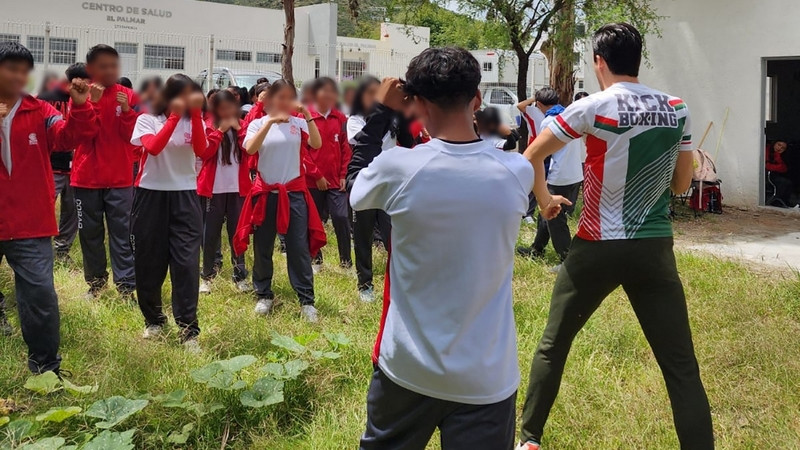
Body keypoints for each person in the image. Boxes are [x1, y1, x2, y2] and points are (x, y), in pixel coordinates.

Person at [517, 23, 713, 450]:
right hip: (654, 248)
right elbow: (681, 186)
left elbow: (532, 154)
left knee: (554, 345)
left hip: (596, 246)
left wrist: (546, 198)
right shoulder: (677, 108)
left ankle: (530, 440)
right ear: (638, 59)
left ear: (599, 62)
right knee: (681, 366)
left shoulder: (593, 108)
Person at [350, 49, 538, 449]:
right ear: (477, 98)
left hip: (406, 367)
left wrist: (384, 113)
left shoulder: (398, 167)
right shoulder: (516, 171)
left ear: (416, 102)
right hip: (486, 375)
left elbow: (354, 186)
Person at [0, 41, 96, 373]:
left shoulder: (39, 111)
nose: (18, 76)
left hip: (30, 222)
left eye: (24, 71)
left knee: (39, 296)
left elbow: (67, 138)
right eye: (11, 68)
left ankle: (45, 367)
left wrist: (81, 107)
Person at [129, 74, 210, 352]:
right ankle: (154, 319)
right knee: (149, 261)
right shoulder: (147, 119)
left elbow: (202, 150)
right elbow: (152, 148)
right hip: (150, 195)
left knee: (186, 263)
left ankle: (189, 330)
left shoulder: (193, 121)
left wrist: (196, 115)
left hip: (186, 196)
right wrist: (174, 118)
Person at [237, 80, 326, 323]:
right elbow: (251, 150)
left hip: (294, 194)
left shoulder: (298, 123)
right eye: (280, 97)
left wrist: (306, 113)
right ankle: (263, 294)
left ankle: (306, 300)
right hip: (266, 195)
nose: (285, 102)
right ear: (270, 100)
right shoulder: (256, 123)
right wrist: (270, 123)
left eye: (289, 97)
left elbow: (317, 144)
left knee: (298, 248)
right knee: (263, 246)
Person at [72, 44, 139, 300]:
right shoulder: (80, 94)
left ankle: (126, 287)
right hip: (86, 177)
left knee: (122, 234)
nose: (110, 70)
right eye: (103, 66)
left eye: (114, 65)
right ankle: (96, 284)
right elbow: (82, 134)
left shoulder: (128, 95)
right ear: (91, 69)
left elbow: (131, 137)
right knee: (90, 234)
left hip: (120, 178)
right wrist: (95, 105)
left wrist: (125, 111)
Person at [516, 87, 584, 270]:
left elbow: (542, 154)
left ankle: (567, 260)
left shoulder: (548, 121)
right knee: (545, 213)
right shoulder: (570, 115)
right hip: (575, 173)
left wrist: (541, 178)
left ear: (538, 105)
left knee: (555, 218)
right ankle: (537, 248)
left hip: (559, 175)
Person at [197, 90, 251, 294]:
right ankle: (207, 276)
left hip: (238, 189)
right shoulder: (208, 124)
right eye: (223, 107)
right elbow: (204, 152)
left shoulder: (242, 125)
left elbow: (250, 150)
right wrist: (220, 131)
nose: (227, 111)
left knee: (238, 233)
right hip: (214, 189)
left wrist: (239, 131)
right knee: (209, 234)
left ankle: (240, 275)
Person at [346, 76, 394, 302]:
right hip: (363, 183)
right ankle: (365, 284)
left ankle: (397, 282)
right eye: (372, 93)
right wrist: (381, 112)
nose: (377, 98)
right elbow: (362, 141)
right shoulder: (355, 120)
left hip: (390, 187)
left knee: (393, 235)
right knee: (363, 236)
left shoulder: (394, 120)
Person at [37, 62, 90, 263]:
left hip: (76, 167)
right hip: (51, 165)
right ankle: (40, 248)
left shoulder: (88, 100)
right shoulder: (47, 99)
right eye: (87, 81)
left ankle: (62, 250)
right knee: (44, 206)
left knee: (72, 211)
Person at [306, 77, 353, 271]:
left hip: (336, 181)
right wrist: (317, 175)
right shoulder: (306, 117)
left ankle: (346, 262)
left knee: (341, 218)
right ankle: (316, 259)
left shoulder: (340, 118)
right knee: (313, 221)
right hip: (312, 181)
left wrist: (343, 175)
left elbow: (346, 148)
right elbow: (303, 152)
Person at [765, 140, 795, 207]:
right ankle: (776, 201)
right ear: (775, 143)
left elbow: (784, 168)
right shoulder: (766, 150)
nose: (780, 148)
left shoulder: (782, 156)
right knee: (783, 183)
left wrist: (778, 156)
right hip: (765, 176)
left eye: (783, 148)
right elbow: (766, 165)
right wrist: (776, 167)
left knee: (788, 182)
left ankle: (783, 200)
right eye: (779, 145)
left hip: (774, 175)